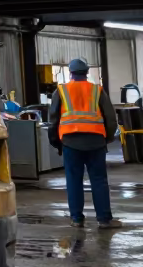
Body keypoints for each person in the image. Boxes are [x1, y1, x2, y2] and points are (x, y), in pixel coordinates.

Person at [48, 58, 122, 228]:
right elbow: (111, 119)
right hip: (96, 142)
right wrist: (107, 139)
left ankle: (76, 219)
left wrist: (56, 142)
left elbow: (53, 120)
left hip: (70, 143)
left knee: (74, 180)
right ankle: (104, 219)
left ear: (70, 73)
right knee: (99, 180)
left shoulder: (61, 91)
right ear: (87, 73)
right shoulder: (97, 90)